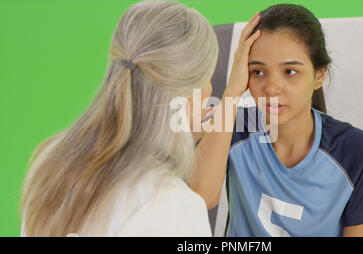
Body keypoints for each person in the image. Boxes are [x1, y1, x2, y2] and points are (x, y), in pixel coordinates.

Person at [189, 4, 363, 237]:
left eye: (290, 71)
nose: (272, 87)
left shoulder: (359, 153)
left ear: (319, 74)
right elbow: (200, 197)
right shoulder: (233, 128)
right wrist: (233, 91)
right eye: (257, 71)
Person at [20, 0, 218, 236]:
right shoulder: (172, 205)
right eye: (208, 77)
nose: (211, 89)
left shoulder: (52, 165)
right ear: (190, 95)